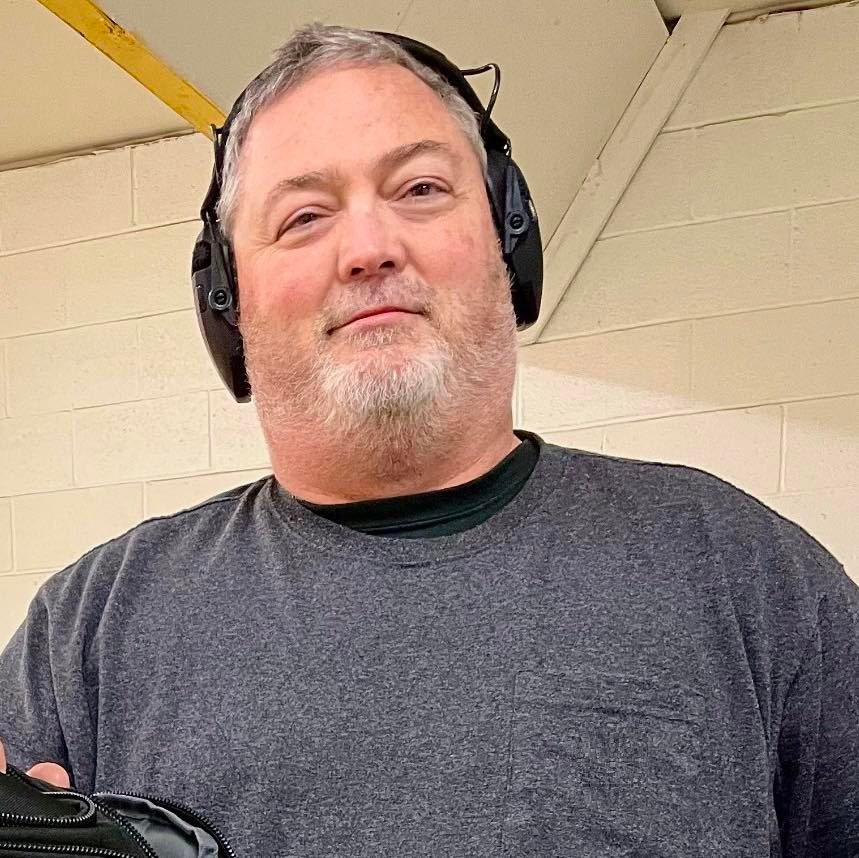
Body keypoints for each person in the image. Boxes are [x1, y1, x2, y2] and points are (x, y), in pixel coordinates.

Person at [1, 22, 857, 858]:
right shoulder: (91, 626)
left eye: (419, 190)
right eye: (303, 216)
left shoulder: (738, 568)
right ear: (230, 298)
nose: (369, 248)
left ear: (504, 239)